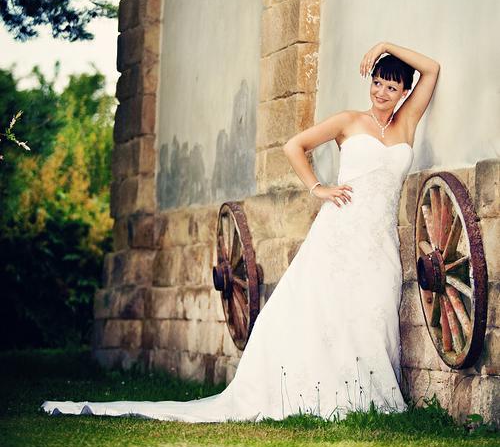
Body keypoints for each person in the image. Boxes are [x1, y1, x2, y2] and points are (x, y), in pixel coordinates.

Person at [41, 41, 440, 423]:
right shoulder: (349, 121)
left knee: (370, 314)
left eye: (391, 87)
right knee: (327, 311)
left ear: (404, 92)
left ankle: (364, 396)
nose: (381, 92)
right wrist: (318, 188)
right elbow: (294, 146)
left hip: (380, 241)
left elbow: (432, 69)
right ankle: (319, 393)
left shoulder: (407, 122)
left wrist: (386, 45)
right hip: (340, 232)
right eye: (377, 82)